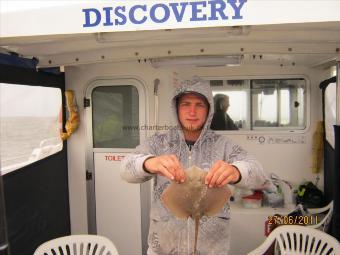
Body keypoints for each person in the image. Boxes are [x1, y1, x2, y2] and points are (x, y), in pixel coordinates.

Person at [121, 77, 267, 255]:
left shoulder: (224, 145)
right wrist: (148, 162)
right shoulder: (159, 143)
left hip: (212, 250)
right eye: (185, 104)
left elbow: (259, 173)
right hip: (164, 249)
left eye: (199, 105)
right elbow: (125, 169)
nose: (192, 111)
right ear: (176, 108)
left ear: (209, 110)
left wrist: (236, 171)